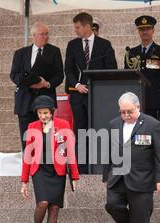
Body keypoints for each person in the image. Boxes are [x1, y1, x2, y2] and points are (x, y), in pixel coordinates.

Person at [103, 92, 160, 223]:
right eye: (122, 112)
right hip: (117, 176)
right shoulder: (113, 125)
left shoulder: (152, 125)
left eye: (129, 111)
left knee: (141, 213)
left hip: (142, 177)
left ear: (138, 107)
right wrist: (105, 175)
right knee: (112, 205)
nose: (126, 115)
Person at [21, 95, 79, 223]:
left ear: (52, 112)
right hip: (39, 170)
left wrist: (74, 176)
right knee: (43, 203)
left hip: (57, 171)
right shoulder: (32, 127)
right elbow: (27, 155)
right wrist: (24, 181)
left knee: (54, 209)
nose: (43, 116)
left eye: (45, 113)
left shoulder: (64, 126)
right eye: (40, 113)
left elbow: (70, 153)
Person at [65, 12, 117, 173]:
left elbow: (111, 69)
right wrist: (77, 84)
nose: (76, 30)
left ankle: (99, 165)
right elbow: (68, 69)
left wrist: (99, 87)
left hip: (98, 96)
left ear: (88, 26)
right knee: (80, 129)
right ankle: (81, 167)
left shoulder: (104, 45)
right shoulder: (72, 45)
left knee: (97, 129)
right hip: (78, 94)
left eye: (78, 27)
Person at [10, 22, 64, 150]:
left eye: (47, 34)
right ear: (33, 35)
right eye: (42, 34)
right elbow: (14, 75)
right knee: (27, 138)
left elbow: (59, 75)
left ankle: (45, 167)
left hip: (45, 100)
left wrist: (46, 84)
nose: (45, 37)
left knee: (46, 138)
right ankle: (29, 167)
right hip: (25, 101)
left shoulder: (54, 51)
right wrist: (27, 82)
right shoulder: (20, 53)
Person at [124, 15, 160, 123]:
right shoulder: (131, 53)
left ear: (153, 30)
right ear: (138, 31)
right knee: (137, 133)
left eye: (147, 29)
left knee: (152, 132)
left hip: (154, 101)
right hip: (135, 102)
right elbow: (127, 79)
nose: (144, 32)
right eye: (142, 29)